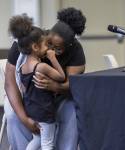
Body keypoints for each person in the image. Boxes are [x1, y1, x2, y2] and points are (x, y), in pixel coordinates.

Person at [4, 7, 86, 150]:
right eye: (49, 44)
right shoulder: (29, 40)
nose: (51, 50)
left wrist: (56, 87)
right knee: (12, 115)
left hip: (55, 98)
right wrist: (24, 118)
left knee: (72, 111)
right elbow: (10, 84)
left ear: (69, 45)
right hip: (25, 95)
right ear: (46, 35)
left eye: (58, 48)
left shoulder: (76, 49)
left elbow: (74, 84)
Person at [8, 14, 66, 150]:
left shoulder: (22, 67)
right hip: (44, 111)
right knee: (47, 144)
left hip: (31, 110)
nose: (48, 48)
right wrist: (53, 59)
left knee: (38, 140)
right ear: (35, 47)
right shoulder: (42, 66)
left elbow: (22, 86)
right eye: (46, 44)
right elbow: (61, 77)